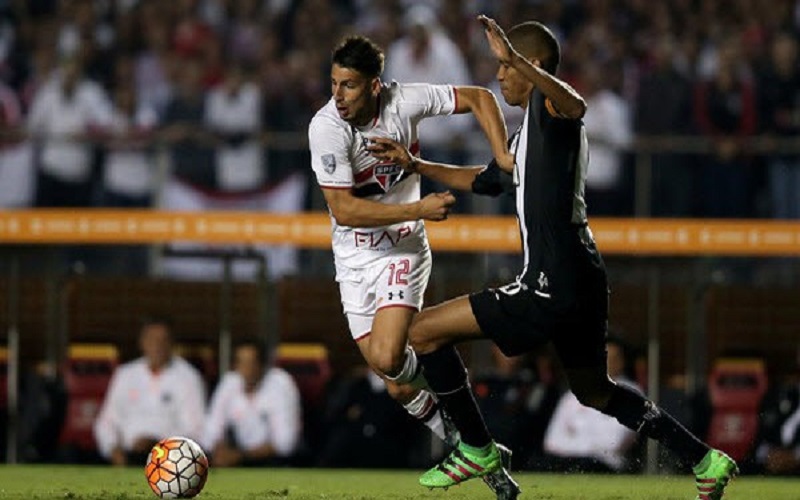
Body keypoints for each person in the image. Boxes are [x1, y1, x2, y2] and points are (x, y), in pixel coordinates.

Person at [368, 16, 738, 500]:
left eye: (505, 67)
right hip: (582, 276)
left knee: (421, 332)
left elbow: (576, 103)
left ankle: (476, 448)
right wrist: (417, 165)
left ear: (531, 66)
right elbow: (487, 180)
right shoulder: (525, 138)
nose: (499, 78)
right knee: (595, 391)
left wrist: (521, 59)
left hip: (549, 280)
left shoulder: (551, 109)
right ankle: (704, 459)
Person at [307, 35, 518, 497]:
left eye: (350, 86)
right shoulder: (326, 127)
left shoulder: (406, 101)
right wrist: (417, 209)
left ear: (376, 85)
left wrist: (501, 156)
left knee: (386, 357)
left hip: (402, 249)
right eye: (335, 84)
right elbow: (343, 211)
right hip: (354, 257)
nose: (338, 96)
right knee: (399, 387)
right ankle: (481, 450)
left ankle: (472, 440)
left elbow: (481, 98)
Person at [94, 317, 206, 466]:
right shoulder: (125, 374)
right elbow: (106, 422)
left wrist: (157, 445)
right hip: (127, 457)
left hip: (170, 463)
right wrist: (113, 448)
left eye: (163, 340)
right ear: (142, 342)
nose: (157, 346)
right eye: (152, 340)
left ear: (172, 343)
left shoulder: (188, 377)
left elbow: (196, 430)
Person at [542, 337, 640, 472]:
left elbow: (613, 443)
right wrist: (588, 445)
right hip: (566, 461)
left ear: (622, 362)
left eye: (613, 359)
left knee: (585, 465)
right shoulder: (574, 393)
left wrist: (574, 440)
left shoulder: (632, 394)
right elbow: (551, 441)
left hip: (605, 465)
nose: (607, 363)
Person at [202, 339, 301, 467]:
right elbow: (210, 433)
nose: (247, 369)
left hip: (277, 463)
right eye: (242, 363)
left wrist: (240, 456)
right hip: (239, 461)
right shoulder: (229, 383)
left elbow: (285, 444)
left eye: (251, 363)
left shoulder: (281, 383)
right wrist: (220, 449)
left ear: (262, 365)